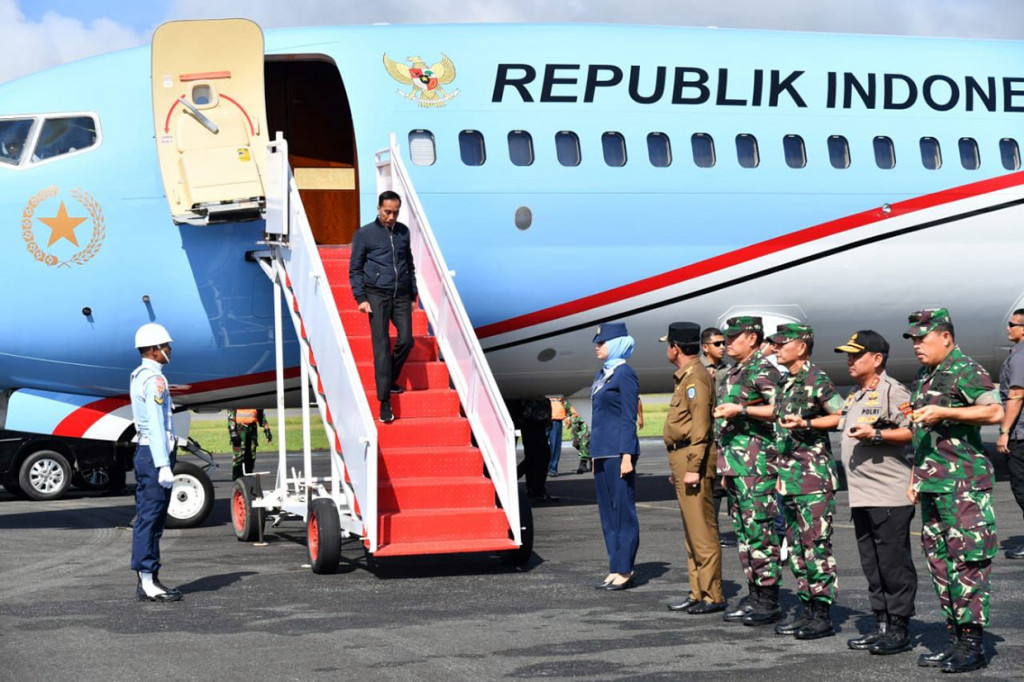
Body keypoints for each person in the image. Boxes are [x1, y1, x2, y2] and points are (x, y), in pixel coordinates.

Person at [904, 308, 1002, 673]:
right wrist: (915, 475)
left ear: (946, 336)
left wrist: (949, 413)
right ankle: (955, 638)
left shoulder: (967, 370)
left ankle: (973, 645)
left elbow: (993, 412)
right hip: (933, 484)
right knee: (941, 565)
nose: (917, 346)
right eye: (913, 339)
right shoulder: (924, 375)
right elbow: (922, 432)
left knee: (968, 563)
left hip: (963, 485)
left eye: (922, 338)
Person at [834, 330, 916, 655]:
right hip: (862, 495)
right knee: (872, 566)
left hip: (888, 495)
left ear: (877, 359)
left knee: (893, 566)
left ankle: (899, 628)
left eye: (856, 355)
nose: (849, 360)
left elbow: (914, 430)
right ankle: (880, 624)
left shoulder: (893, 392)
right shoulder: (855, 394)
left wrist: (878, 435)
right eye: (848, 355)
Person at [768, 324, 844, 640]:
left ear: (801, 347)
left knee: (816, 546)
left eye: (781, 344)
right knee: (797, 549)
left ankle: (823, 615)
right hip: (789, 479)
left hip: (813, 478)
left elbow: (841, 416)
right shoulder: (786, 382)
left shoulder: (817, 380)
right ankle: (807, 609)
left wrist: (808, 422)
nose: (775, 348)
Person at [711, 316, 782, 626]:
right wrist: (725, 468)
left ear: (752, 339)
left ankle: (768, 600)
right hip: (736, 467)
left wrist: (741, 409)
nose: (727, 342)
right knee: (744, 535)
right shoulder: (733, 373)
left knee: (761, 532)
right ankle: (754, 593)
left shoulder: (763, 370)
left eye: (733, 336)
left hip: (757, 467)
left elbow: (780, 409)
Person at [661, 322, 724, 614]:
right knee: (691, 533)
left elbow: (701, 429)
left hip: (692, 459)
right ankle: (697, 592)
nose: (667, 349)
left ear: (676, 348)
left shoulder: (695, 379)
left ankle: (713, 595)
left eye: (668, 344)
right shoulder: (687, 376)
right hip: (683, 458)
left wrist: (693, 467)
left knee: (702, 532)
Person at [349, 191, 417, 424]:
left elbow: (409, 263)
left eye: (395, 212)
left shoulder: (403, 232)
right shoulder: (364, 234)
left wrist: (412, 294)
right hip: (376, 295)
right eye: (387, 212)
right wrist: (361, 298)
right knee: (381, 348)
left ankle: (390, 379)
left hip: (401, 295)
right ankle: (385, 402)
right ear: (378, 208)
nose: (391, 217)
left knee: (407, 340)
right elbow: (355, 269)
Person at [130, 323, 182, 602]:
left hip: (149, 451)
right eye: (166, 346)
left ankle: (150, 577)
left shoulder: (140, 375)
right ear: (154, 350)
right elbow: (155, 422)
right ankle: (147, 580)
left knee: (152, 518)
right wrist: (163, 464)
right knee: (151, 518)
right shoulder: (155, 380)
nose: (169, 350)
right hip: (154, 454)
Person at [590, 322, 641, 591]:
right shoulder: (602, 375)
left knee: (623, 512)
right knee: (608, 514)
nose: (598, 347)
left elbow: (628, 418)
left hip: (619, 453)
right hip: (601, 452)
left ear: (618, 343)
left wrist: (627, 454)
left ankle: (625, 569)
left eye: (603, 343)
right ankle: (615, 565)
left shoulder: (624, 374)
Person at [701, 327, 735, 548]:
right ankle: (711, 533)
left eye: (723, 343)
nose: (723, 347)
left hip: (728, 436)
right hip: (708, 436)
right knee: (712, 488)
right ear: (705, 347)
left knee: (729, 485)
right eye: (717, 344)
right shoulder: (697, 371)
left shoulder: (729, 369)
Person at [997, 308, 1024, 559]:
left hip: (1021, 434)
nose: (1008, 328)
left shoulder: (1020, 356)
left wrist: (1005, 431)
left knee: (1022, 488)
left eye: (1012, 324)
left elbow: (1016, 394)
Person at [227, 409, 272, 481]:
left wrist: (267, 430)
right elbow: (231, 411)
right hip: (240, 428)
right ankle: (237, 478)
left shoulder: (255, 399)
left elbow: (260, 413)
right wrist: (232, 430)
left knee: (251, 455)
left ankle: (248, 477)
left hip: (252, 428)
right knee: (238, 455)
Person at [563, 399, 592, 474]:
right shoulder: (566, 401)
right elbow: (566, 409)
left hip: (584, 419)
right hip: (575, 421)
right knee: (576, 443)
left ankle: (583, 463)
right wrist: (568, 417)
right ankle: (591, 458)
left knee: (584, 440)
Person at [547, 397, 566, 477]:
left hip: (557, 417)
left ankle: (552, 468)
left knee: (555, 445)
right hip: (541, 416)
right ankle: (546, 467)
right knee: (539, 445)